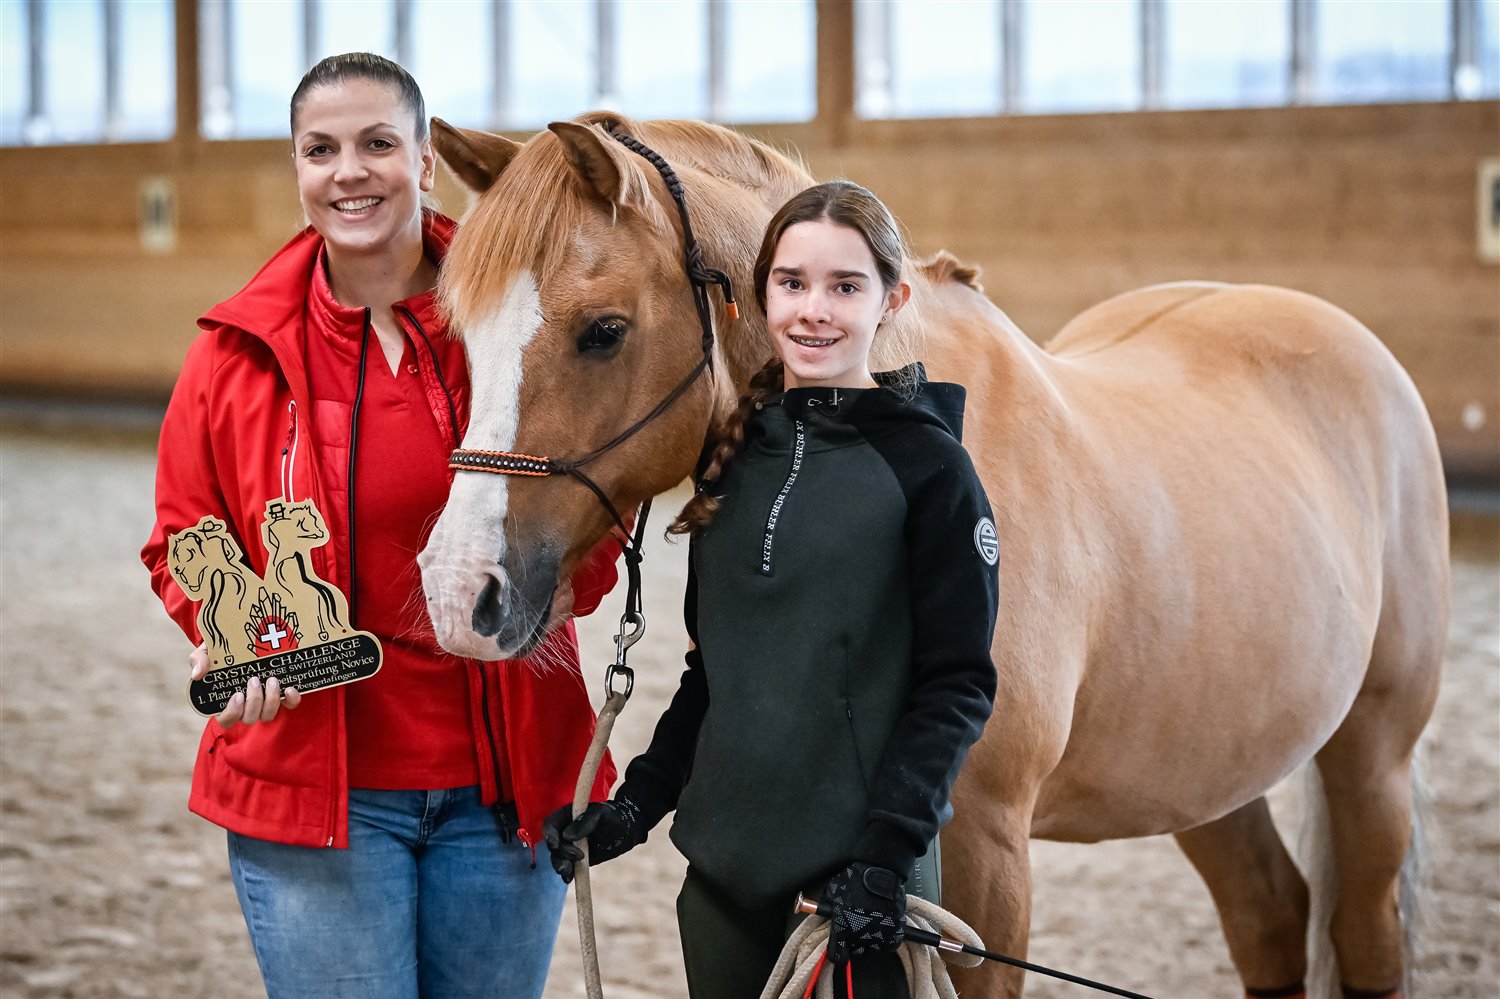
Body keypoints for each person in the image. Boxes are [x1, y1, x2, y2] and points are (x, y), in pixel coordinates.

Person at [141, 52, 619, 999]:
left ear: (426, 159)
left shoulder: (527, 320)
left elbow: (606, 476)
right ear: (297, 168)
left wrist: (580, 576)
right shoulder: (231, 353)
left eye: (377, 143)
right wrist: (229, 640)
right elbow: (182, 537)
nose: (348, 171)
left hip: (506, 793)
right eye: (320, 150)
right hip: (317, 792)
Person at [544, 180, 1000, 998]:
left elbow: (957, 685)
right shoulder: (734, 455)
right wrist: (636, 805)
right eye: (793, 283)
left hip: (854, 883)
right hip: (723, 873)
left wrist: (884, 856)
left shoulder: (932, 469)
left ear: (891, 300)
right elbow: (714, 672)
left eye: (845, 286)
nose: (813, 310)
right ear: (764, 295)